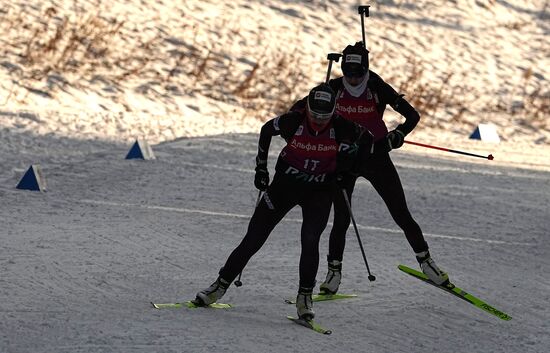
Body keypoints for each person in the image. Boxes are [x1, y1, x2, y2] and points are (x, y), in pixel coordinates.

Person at [194, 83, 373, 320]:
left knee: (310, 240)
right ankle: (219, 285)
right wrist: (260, 169)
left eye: (325, 116)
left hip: (319, 191)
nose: (319, 120)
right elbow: (266, 129)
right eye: (315, 114)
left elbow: (368, 140)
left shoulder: (343, 126)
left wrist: (350, 172)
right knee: (253, 237)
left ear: (333, 112)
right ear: (307, 108)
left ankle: (304, 297)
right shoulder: (293, 120)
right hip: (284, 187)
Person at [290, 42, 449, 295]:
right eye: (348, 73)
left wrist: (398, 134)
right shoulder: (333, 88)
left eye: (358, 73)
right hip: (344, 161)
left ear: (366, 69)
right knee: (341, 218)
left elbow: (413, 116)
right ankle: (334, 273)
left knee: (400, 212)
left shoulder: (376, 86)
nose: (353, 79)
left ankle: (426, 262)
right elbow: (299, 110)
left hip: (376, 156)